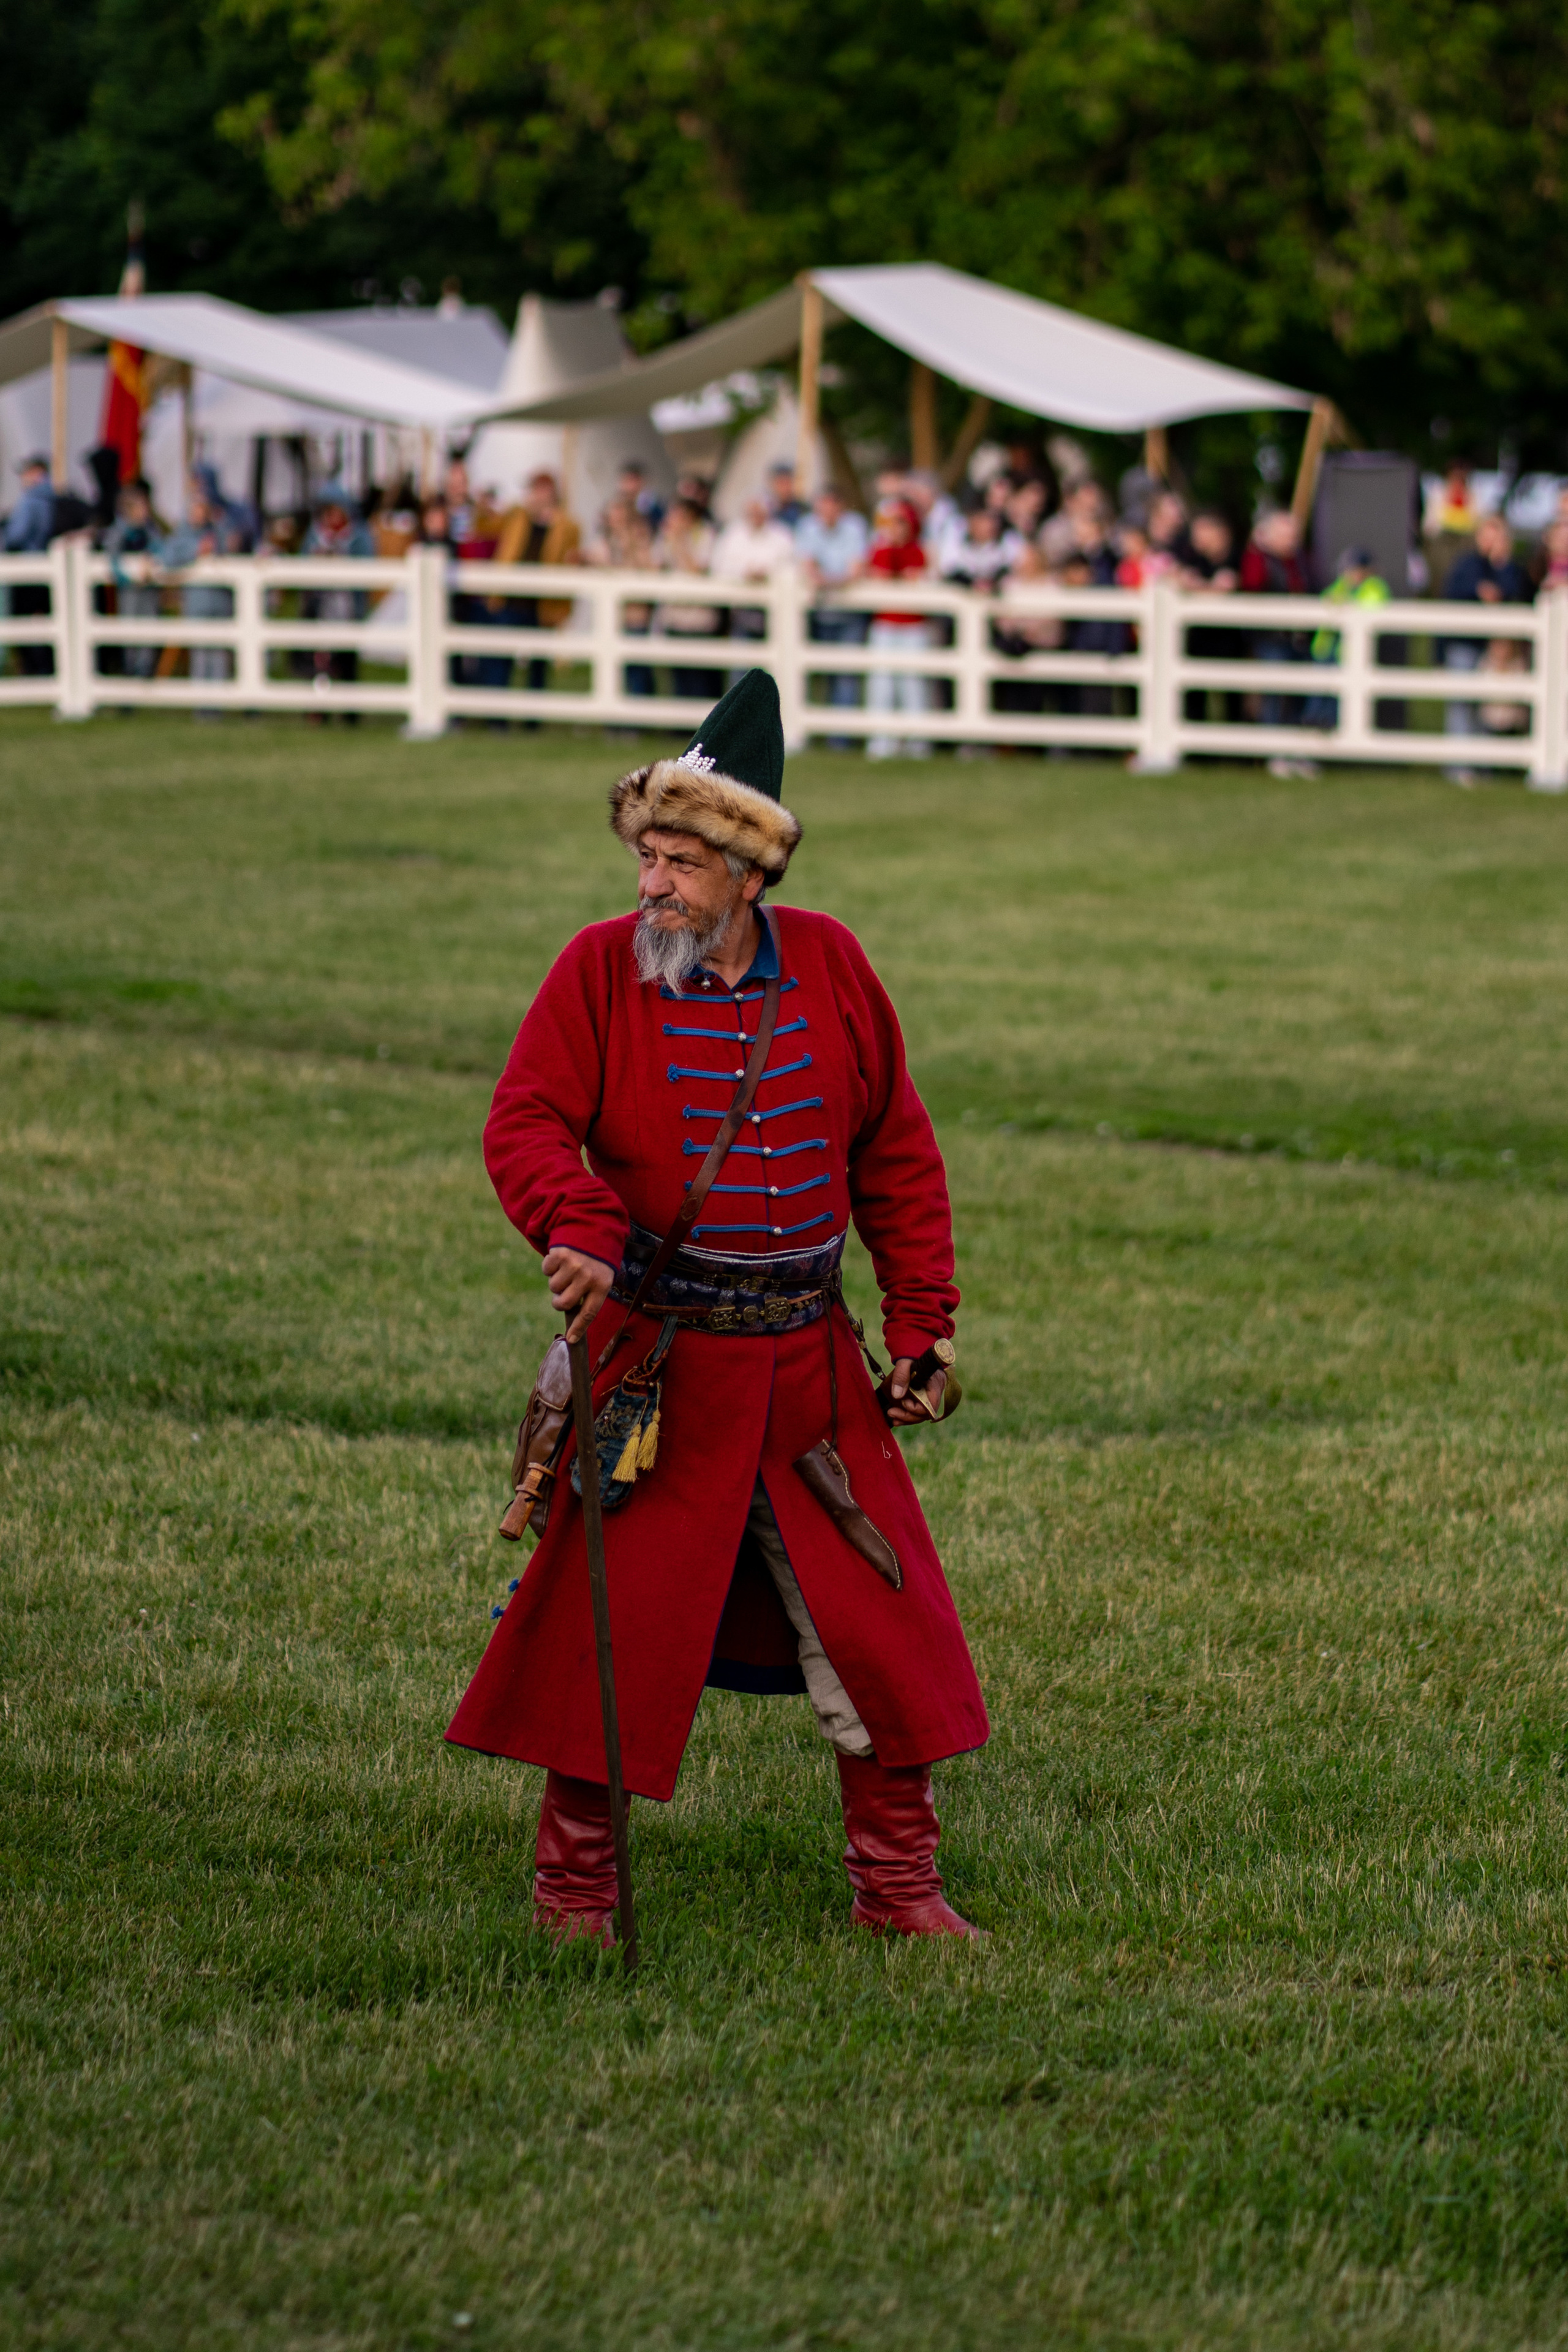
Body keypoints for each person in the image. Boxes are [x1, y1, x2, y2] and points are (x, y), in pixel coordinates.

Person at [445, 669, 989, 1945]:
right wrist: (579, 1224)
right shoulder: (597, 971)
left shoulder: (833, 965)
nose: (652, 885)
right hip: (658, 1374)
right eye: (645, 855)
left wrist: (920, 1324)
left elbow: (895, 1155)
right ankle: (574, 1894)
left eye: (680, 862)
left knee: (880, 1624)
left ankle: (897, 1890)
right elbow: (524, 1121)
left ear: (751, 873)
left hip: (808, 1372)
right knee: (606, 1635)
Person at [1439, 514, 1532, 781]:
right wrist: (1478, 591)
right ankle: (1459, 766)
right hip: (1465, 644)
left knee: (1486, 708)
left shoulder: (1509, 567)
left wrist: (1501, 565)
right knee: (1461, 704)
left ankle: (1483, 765)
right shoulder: (1467, 564)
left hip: (1494, 648)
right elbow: (1453, 594)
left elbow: (1517, 592)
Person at [494, 469, 582, 707]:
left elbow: (571, 558)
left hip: (543, 603)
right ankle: (497, 714)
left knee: (538, 664)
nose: (541, 496)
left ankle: (533, 715)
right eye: (537, 490)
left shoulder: (566, 526)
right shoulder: (517, 518)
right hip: (512, 599)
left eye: (545, 490)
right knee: (501, 658)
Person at [1293, 545, 1391, 757]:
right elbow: (1327, 603)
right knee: (1317, 698)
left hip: (1348, 655)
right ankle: (1307, 747)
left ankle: (1325, 751)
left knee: (1336, 703)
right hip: (1326, 651)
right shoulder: (1341, 586)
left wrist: (1345, 605)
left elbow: (1370, 610)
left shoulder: (1374, 588)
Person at [794, 483, 870, 743]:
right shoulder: (808, 527)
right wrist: (831, 578)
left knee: (846, 675)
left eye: (831, 505)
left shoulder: (854, 527)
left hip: (848, 613)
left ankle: (841, 739)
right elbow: (808, 567)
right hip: (820, 612)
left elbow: (855, 571)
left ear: (840, 506)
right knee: (821, 673)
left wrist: (826, 579)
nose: (826, 511)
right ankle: (820, 731)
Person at [862, 497, 932, 758]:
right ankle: (881, 742)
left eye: (901, 522)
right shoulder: (880, 550)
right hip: (886, 624)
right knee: (882, 684)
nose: (896, 528)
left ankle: (917, 743)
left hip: (912, 626)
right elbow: (880, 577)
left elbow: (915, 578)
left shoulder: (919, 551)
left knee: (913, 684)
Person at [298, 484, 374, 713]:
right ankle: (319, 708)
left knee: (347, 658)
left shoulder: (357, 536)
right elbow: (302, 565)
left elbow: (368, 566)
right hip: (321, 606)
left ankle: (349, 709)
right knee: (320, 658)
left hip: (348, 605)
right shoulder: (315, 535)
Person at [163, 486, 236, 717]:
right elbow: (168, 558)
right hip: (197, 605)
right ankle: (202, 707)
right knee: (201, 656)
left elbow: (232, 553)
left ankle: (217, 706)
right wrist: (196, 550)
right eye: (196, 509)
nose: (200, 513)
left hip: (220, 603)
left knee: (219, 657)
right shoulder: (182, 535)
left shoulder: (218, 532)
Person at [1239, 507, 1311, 728]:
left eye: (1293, 535)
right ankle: (1271, 739)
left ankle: (1293, 740)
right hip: (1270, 638)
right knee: (1273, 694)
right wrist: (1256, 548)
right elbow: (1252, 584)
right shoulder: (1259, 559)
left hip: (1297, 638)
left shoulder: (1299, 561)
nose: (1291, 541)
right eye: (1285, 535)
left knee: (1299, 693)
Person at [652, 494, 723, 702]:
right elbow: (656, 566)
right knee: (679, 676)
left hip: (700, 619)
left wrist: (681, 541)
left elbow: (697, 571)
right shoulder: (666, 537)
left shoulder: (706, 535)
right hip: (675, 616)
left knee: (701, 677)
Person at [586, 492, 657, 699]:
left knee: (637, 667)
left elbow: (647, 570)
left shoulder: (640, 539)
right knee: (612, 670)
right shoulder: (603, 541)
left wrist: (630, 544)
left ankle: (641, 706)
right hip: (611, 615)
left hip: (635, 614)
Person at [710, 494, 797, 643]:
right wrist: (744, 573)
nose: (756, 516)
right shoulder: (732, 535)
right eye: (752, 512)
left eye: (760, 512)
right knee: (742, 653)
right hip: (740, 608)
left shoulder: (782, 535)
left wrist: (767, 574)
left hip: (774, 611)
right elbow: (718, 566)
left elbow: (791, 566)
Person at [102, 479, 165, 680]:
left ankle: (145, 673)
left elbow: (161, 548)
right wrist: (129, 577)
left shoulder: (149, 530)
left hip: (148, 590)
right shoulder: (119, 533)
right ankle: (131, 673)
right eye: (141, 507)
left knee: (149, 631)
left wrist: (150, 561)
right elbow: (113, 561)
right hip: (130, 592)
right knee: (130, 632)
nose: (146, 511)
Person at [4, 457, 58, 676]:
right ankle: (46, 668)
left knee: (24, 620)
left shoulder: (30, 500)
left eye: (26, 473)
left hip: (28, 567)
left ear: (37, 473)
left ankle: (35, 670)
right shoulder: (53, 498)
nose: (22, 478)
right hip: (47, 567)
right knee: (45, 620)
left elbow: (16, 536)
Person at [765, 461, 806, 529]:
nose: (785, 488)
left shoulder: (803, 509)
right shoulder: (766, 510)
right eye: (781, 483)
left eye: (788, 483)